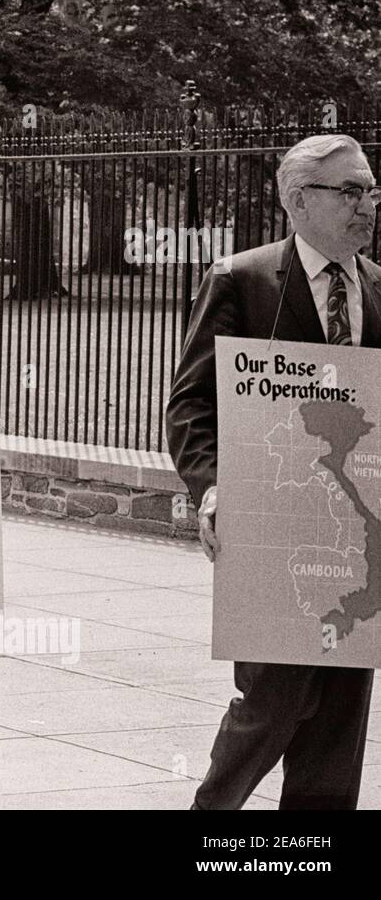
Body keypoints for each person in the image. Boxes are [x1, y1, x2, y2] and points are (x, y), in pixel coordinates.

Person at [167, 133, 380, 810]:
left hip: (356, 545)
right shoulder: (244, 280)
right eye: (349, 191)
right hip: (273, 533)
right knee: (272, 709)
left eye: (370, 189)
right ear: (297, 201)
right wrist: (210, 489)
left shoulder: (379, 288)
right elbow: (191, 403)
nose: (367, 205)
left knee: (340, 729)